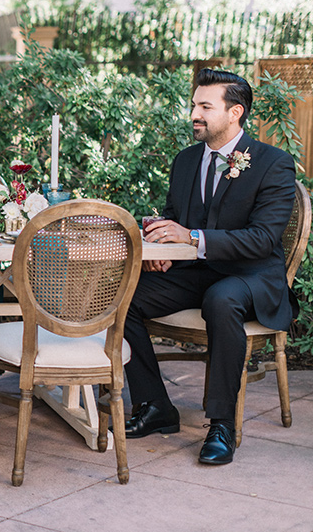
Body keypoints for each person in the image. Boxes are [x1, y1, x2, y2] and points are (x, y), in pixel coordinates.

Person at [123, 69, 297, 465]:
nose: (194, 114)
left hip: (251, 276)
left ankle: (222, 424)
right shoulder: (185, 161)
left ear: (235, 112)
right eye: (194, 105)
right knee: (123, 294)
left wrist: (191, 238)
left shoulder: (273, 163)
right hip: (194, 273)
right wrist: (161, 244)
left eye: (205, 106)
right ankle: (154, 406)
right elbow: (174, 218)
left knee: (222, 299)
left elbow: (263, 239)